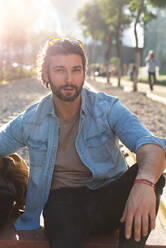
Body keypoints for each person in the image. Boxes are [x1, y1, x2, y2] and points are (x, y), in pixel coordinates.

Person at [0, 38, 165, 248]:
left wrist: (144, 184)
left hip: (109, 198)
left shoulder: (107, 108)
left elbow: (151, 145)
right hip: (64, 205)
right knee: (63, 221)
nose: (69, 79)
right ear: (45, 75)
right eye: (60, 70)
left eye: (76, 70)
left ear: (84, 73)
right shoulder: (30, 120)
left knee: (151, 175)